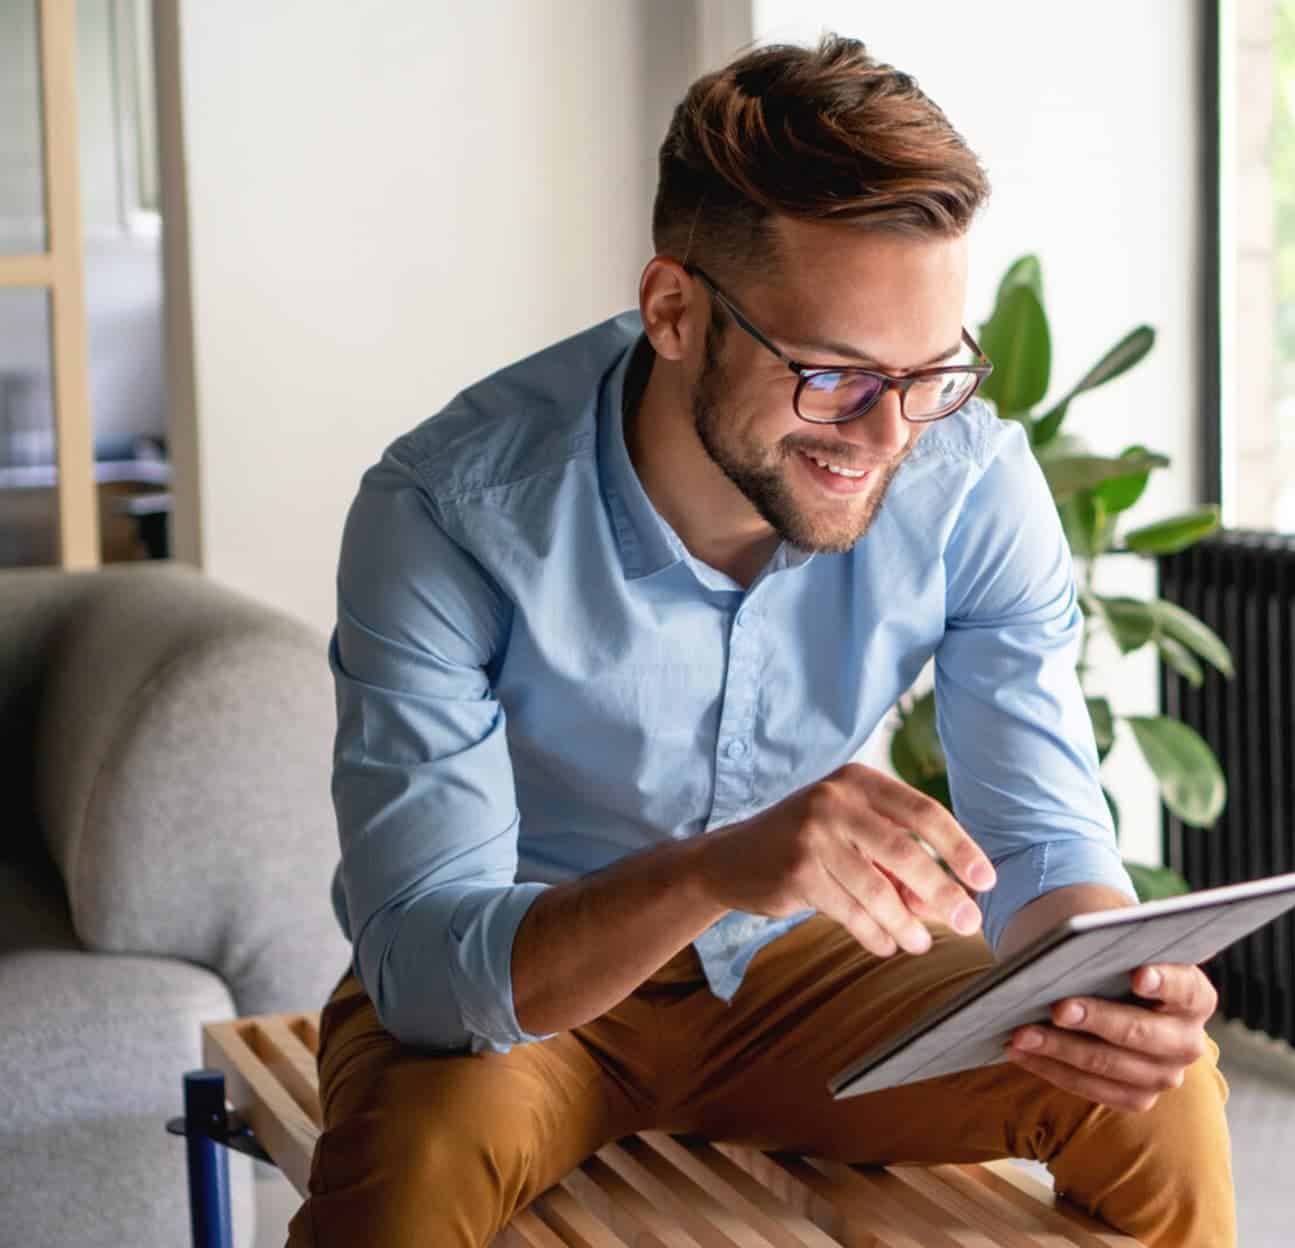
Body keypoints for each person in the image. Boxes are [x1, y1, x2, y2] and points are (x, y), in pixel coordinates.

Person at [289, 34, 1235, 1248]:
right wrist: (713, 868)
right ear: (675, 309)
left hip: (807, 974)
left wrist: (1108, 986)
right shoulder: (446, 513)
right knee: (405, 1181)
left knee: (1158, 1100)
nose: (889, 432)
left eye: (929, 372)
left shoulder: (970, 480)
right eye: (833, 373)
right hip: (536, 982)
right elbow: (426, 966)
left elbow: (1044, 837)